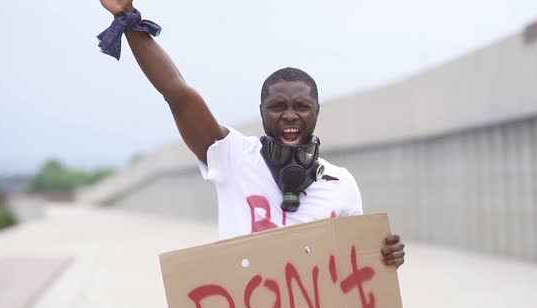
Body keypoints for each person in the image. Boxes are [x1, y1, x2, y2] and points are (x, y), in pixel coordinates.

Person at [98, 0, 405, 269]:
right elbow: (178, 95)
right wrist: (129, 20)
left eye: (301, 106)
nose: (289, 115)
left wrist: (385, 255)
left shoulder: (343, 184)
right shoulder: (233, 158)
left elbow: (358, 265)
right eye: (277, 106)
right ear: (261, 112)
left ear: (316, 112)